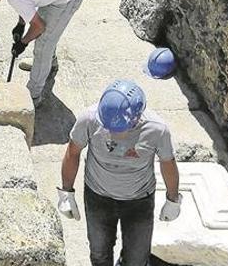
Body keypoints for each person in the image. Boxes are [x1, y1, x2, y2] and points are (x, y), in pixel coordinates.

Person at [57, 80, 182, 266]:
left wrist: (173, 200)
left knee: (137, 260)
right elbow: (73, 152)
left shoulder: (157, 129)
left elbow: (167, 163)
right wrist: (66, 192)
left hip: (139, 202)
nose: (113, 133)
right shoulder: (89, 119)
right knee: (99, 254)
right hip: (98, 197)